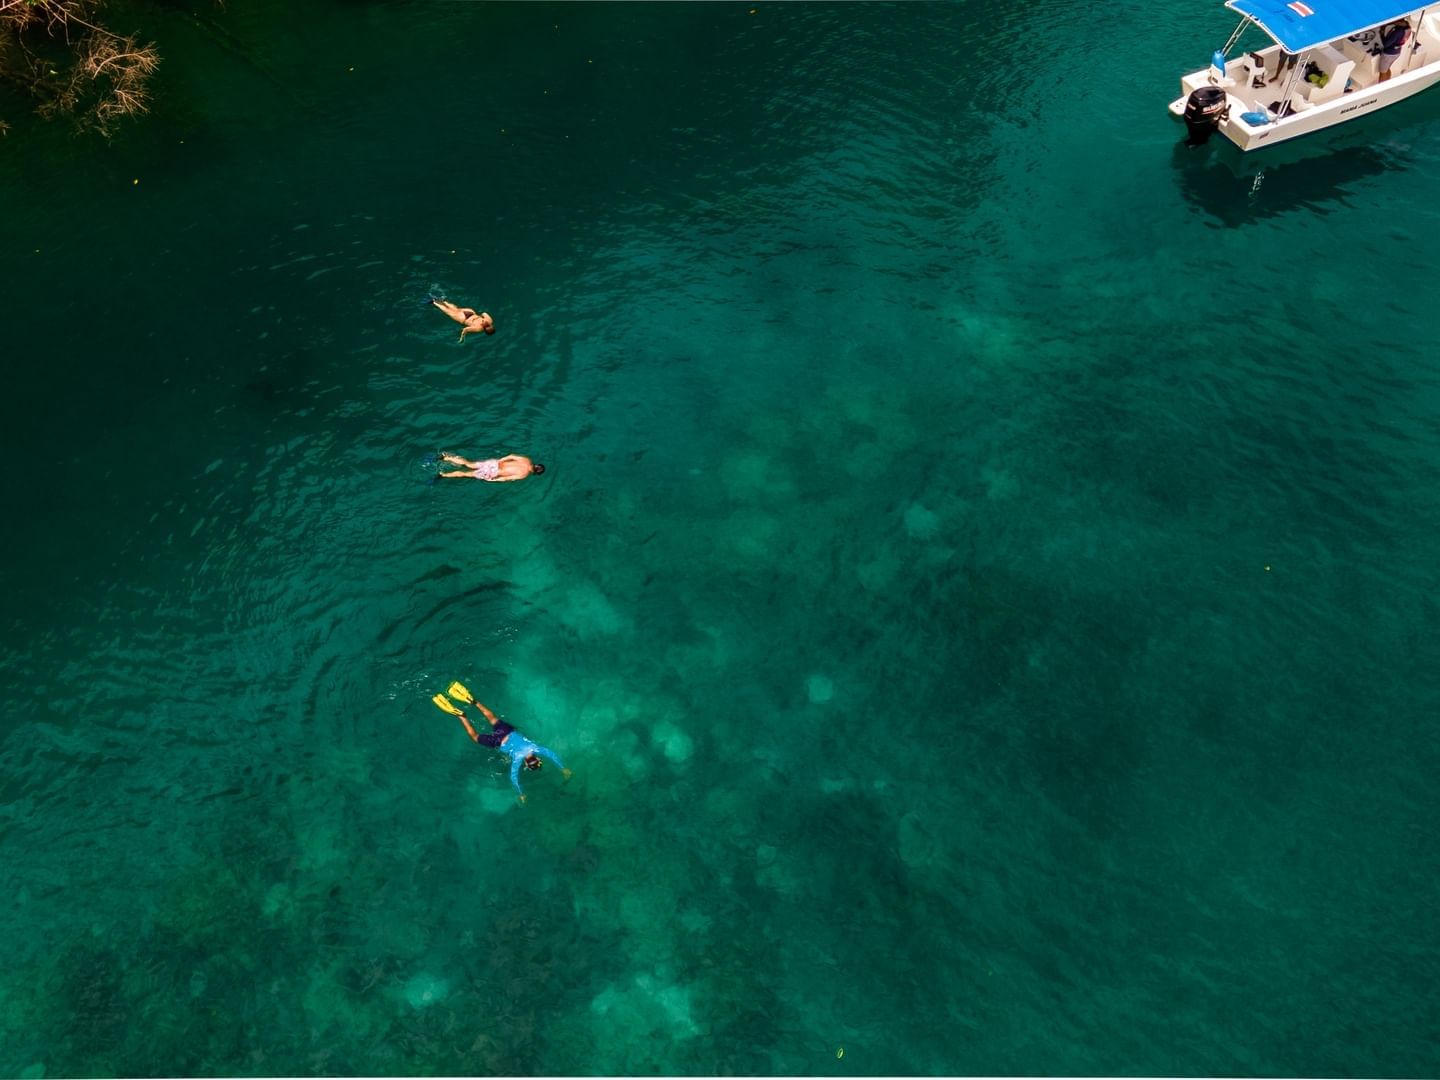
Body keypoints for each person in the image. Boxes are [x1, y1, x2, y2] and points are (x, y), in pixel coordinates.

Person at [448, 697, 570, 803]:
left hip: (507, 731)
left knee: (492, 717)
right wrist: (521, 794)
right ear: (526, 764)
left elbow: (551, 754)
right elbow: (514, 778)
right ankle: (461, 716)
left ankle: (474, 701)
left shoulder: (535, 748)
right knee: (475, 737)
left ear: (537, 758)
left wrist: (563, 768)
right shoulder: (517, 760)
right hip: (498, 742)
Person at [437, 452, 545, 481]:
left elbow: (511, 455)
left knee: (468, 463)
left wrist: (500, 461)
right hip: (493, 473)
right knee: (466, 474)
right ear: (535, 473)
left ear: (536, 464)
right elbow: (506, 478)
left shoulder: (526, 460)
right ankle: (443, 475)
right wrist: (494, 480)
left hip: (494, 464)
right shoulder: (523, 475)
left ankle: (445, 458)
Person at [429, 297, 495, 341]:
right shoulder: (478, 329)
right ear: (485, 331)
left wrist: (478, 318)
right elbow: (465, 329)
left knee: (456, 309)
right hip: (464, 318)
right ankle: (434, 302)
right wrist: (462, 337)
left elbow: (484, 313)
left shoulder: (490, 320)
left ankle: (443, 301)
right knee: (448, 311)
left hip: (470, 312)